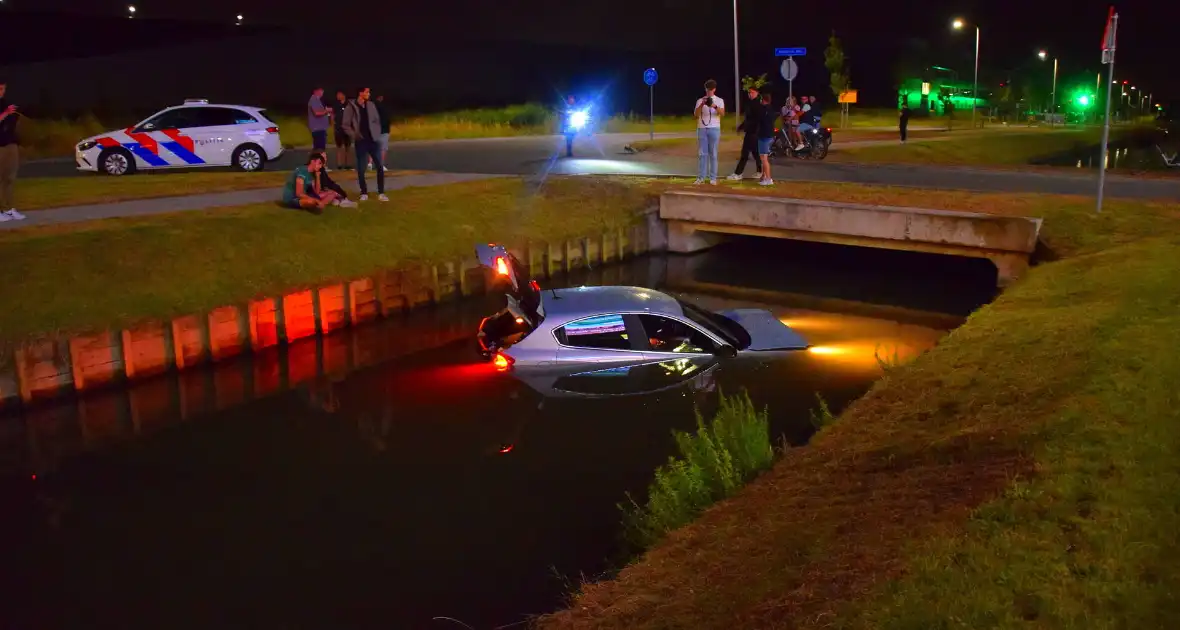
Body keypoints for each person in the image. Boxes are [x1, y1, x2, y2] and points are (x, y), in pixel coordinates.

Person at [342, 86, 388, 202]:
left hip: (373, 140)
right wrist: (354, 135)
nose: (368, 94)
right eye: (367, 92)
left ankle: (381, 193)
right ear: (360, 93)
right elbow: (345, 125)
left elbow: (376, 120)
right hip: (360, 141)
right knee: (361, 168)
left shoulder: (371, 105)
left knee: (379, 166)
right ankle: (364, 192)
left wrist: (376, 133)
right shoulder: (351, 107)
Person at [0, 80, 26, 222]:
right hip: (0, 146)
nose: (1, 91)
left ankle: (10, 210)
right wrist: (6, 113)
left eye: (3, 88)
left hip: (11, 144)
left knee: (10, 178)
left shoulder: (5, 103)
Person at [727, 85, 763, 180]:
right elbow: (748, 119)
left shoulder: (758, 105)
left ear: (756, 93)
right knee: (755, 153)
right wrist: (741, 127)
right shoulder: (750, 104)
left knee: (745, 153)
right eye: (749, 92)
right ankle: (760, 171)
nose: (750, 94)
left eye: (752, 92)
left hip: (753, 132)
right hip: (750, 131)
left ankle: (738, 173)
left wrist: (755, 131)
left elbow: (758, 119)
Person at [693, 79, 725, 185]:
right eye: (707, 89)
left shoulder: (719, 100)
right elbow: (696, 115)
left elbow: (723, 113)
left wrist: (714, 106)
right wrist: (702, 104)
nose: (709, 92)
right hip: (702, 128)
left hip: (714, 128)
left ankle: (713, 178)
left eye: (711, 90)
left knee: (713, 154)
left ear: (714, 89)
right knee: (702, 154)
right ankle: (701, 177)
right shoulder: (700, 100)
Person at [756, 92, 777, 186]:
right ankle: (764, 176)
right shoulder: (771, 109)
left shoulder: (763, 110)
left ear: (763, 100)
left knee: (763, 159)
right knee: (765, 157)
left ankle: (768, 179)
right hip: (770, 135)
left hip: (764, 136)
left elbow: (758, 120)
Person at [307, 87, 331, 165]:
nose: (322, 92)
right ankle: (320, 166)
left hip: (320, 128)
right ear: (315, 91)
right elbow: (317, 113)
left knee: (317, 148)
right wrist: (326, 111)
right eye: (320, 90)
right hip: (318, 128)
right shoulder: (314, 100)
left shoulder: (317, 100)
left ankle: (314, 165)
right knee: (320, 149)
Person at [331, 90, 352, 170]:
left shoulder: (349, 104)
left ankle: (348, 165)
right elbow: (332, 115)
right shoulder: (336, 105)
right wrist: (333, 125)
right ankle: (339, 165)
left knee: (348, 147)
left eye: (339, 94)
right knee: (339, 147)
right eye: (337, 94)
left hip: (347, 128)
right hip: (338, 128)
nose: (338, 96)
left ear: (344, 95)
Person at [373, 94, 392, 171]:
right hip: (384, 129)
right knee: (383, 148)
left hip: (374, 129)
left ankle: (370, 163)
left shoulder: (372, 106)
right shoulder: (385, 107)